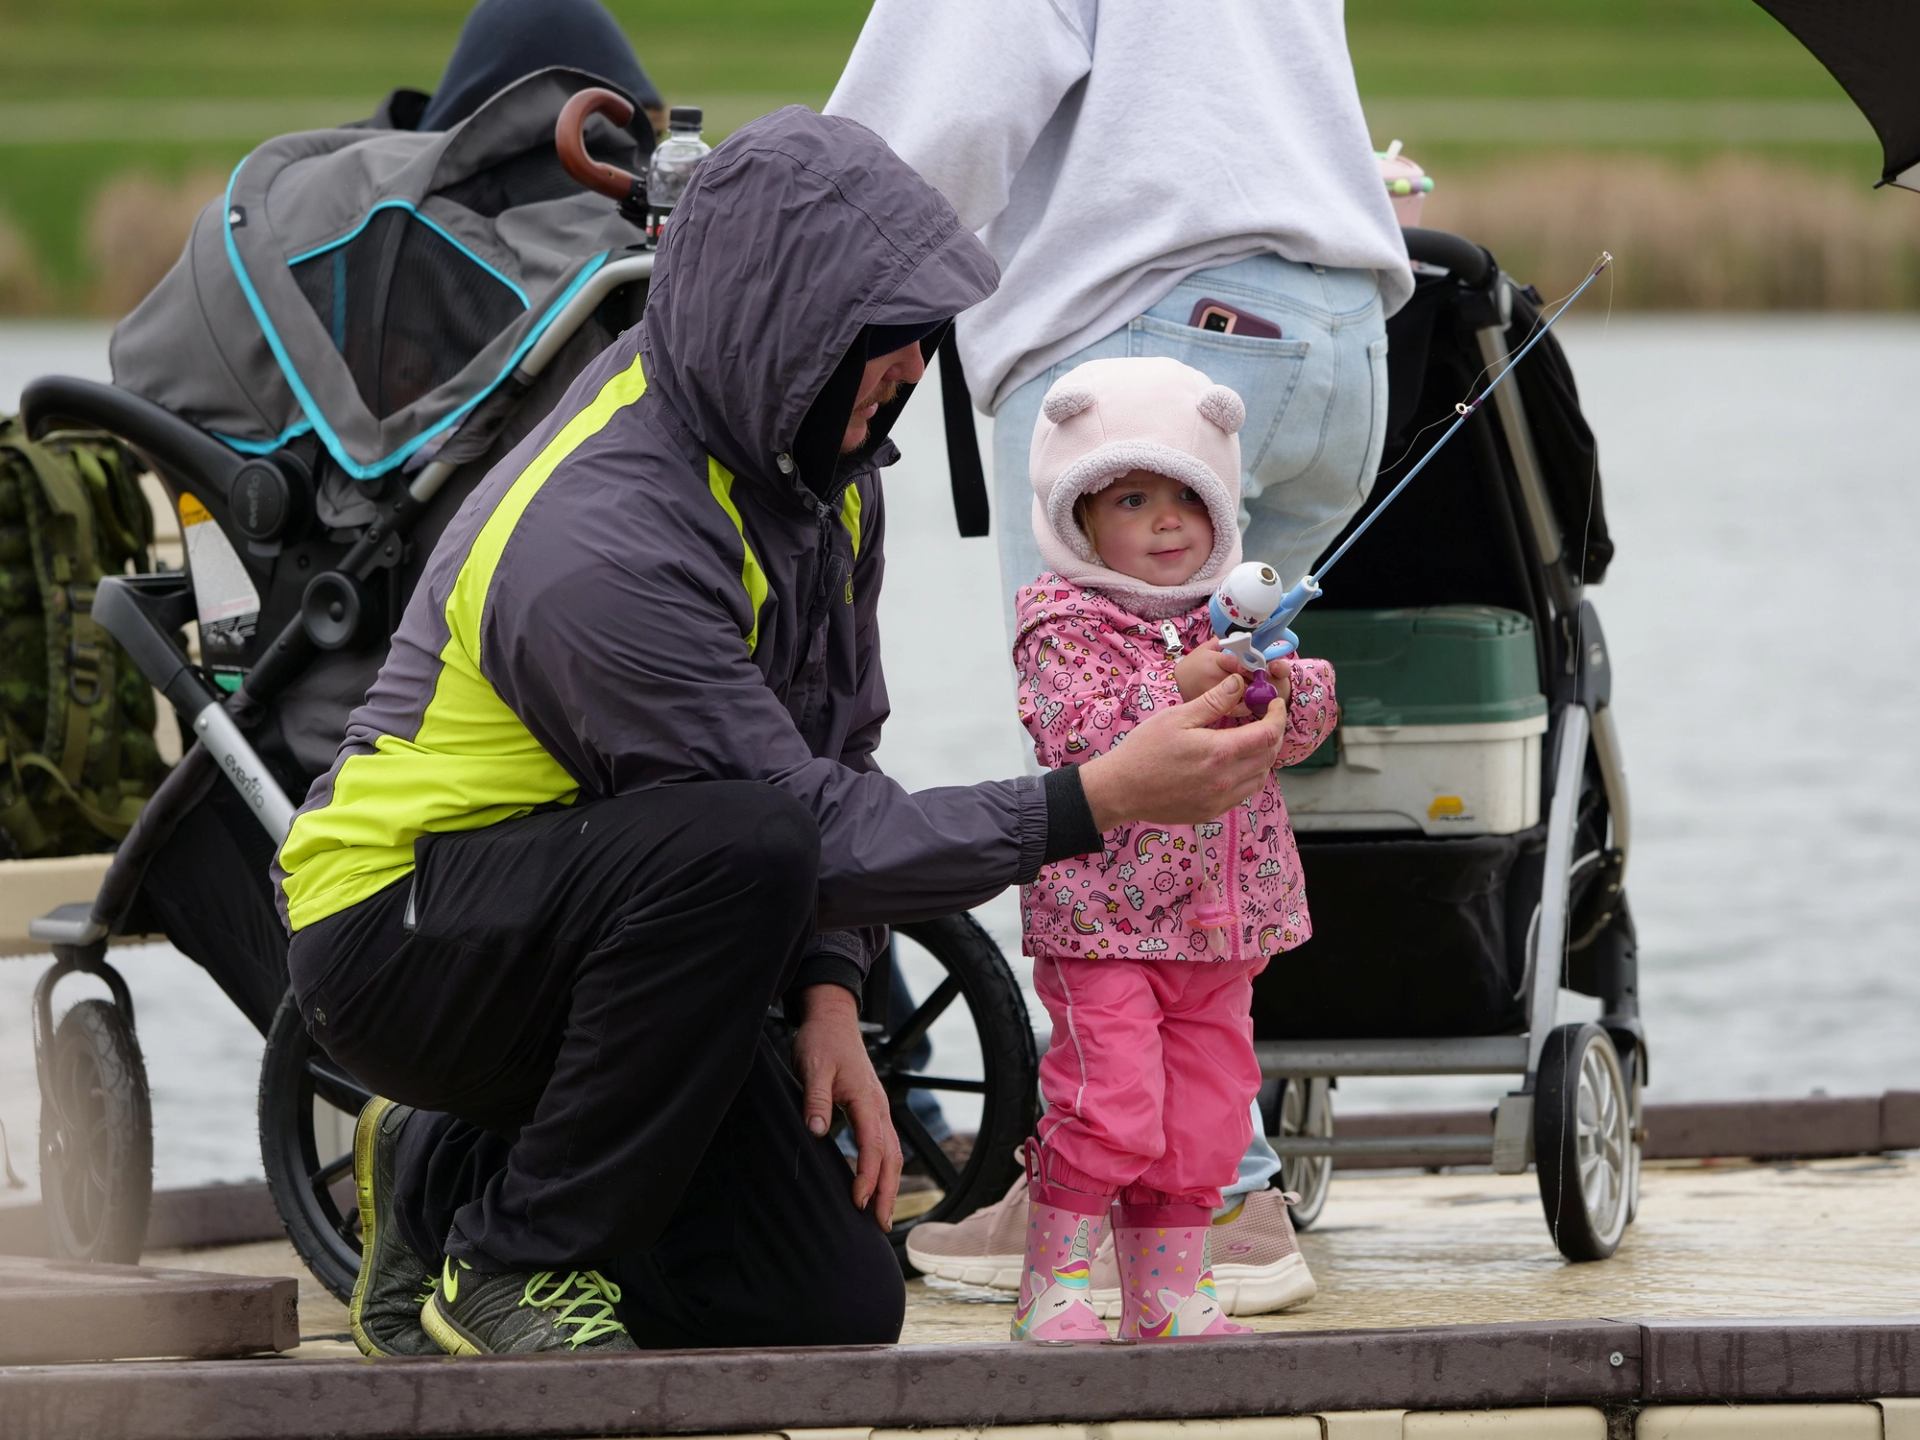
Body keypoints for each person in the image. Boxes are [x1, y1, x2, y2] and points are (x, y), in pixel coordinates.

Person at [276, 108, 1303, 1358]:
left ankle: (445, 1174)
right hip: (400, 933)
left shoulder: (821, 471)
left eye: (928, 339)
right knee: (750, 842)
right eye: (893, 340)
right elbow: (798, 828)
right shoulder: (598, 544)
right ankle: (508, 1264)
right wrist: (1096, 798)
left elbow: (840, 751)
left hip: (606, 927)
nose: (916, 370)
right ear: (797, 330)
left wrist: (828, 989)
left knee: (834, 1305)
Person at [828, 0, 1409, 1311]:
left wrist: (798, 268)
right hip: (1340, 337)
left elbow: (935, 118)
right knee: (1221, 763)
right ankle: (1211, 1177)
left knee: (1113, 761)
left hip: (1150, 325)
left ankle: (1190, 1196)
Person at [1003, 358, 1337, 1344]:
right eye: (1132, 499)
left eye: (1187, 498)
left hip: (1219, 929)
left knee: (1205, 1122)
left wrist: (1284, 683)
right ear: (1078, 520)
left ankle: (1167, 1294)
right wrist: (1191, 680)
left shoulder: (1233, 619)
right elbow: (1079, 735)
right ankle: (1052, 1287)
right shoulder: (1060, 621)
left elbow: (1306, 730)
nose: (1165, 522)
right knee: (1111, 1105)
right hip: (1106, 926)